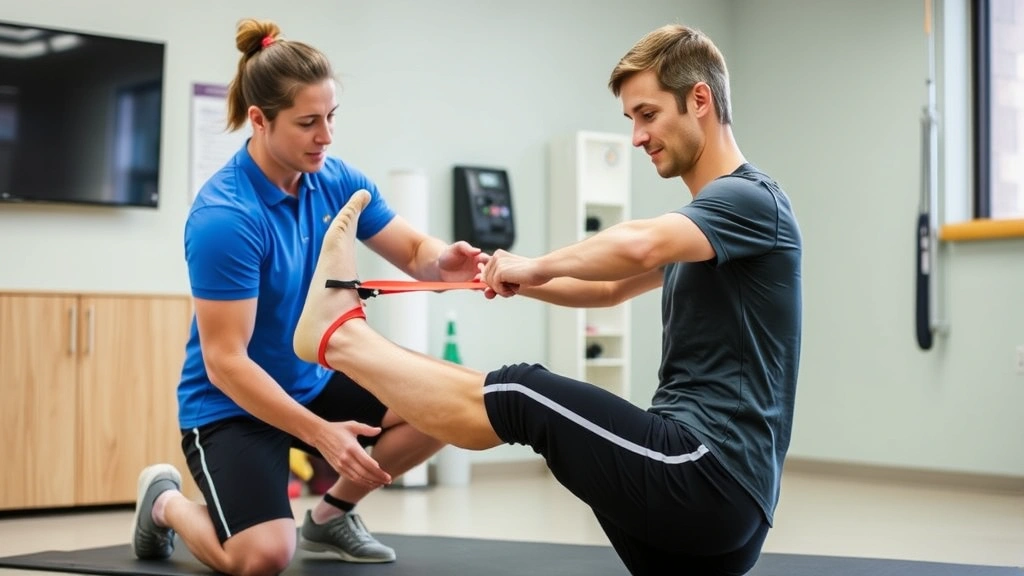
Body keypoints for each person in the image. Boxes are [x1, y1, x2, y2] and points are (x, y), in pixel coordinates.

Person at [288, 23, 802, 576]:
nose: (636, 137)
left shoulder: (749, 200)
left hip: (708, 473)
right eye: (631, 120)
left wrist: (534, 265)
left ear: (699, 99)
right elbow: (607, 287)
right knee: (544, 415)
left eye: (647, 115)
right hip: (717, 520)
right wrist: (508, 274)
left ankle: (340, 338)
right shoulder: (712, 227)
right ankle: (341, 338)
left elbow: (639, 244)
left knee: (521, 392)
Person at [129, 18, 489, 576]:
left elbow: (415, 249)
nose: (326, 136)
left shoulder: (335, 178)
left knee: (448, 404)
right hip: (231, 406)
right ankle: (164, 504)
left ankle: (329, 518)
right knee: (263, 557)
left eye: (330, 117)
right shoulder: (225, 218)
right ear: (259, 119)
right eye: (307, 123)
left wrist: (444, 261)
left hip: (312, 376)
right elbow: (226, 363)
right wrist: (319, 434)